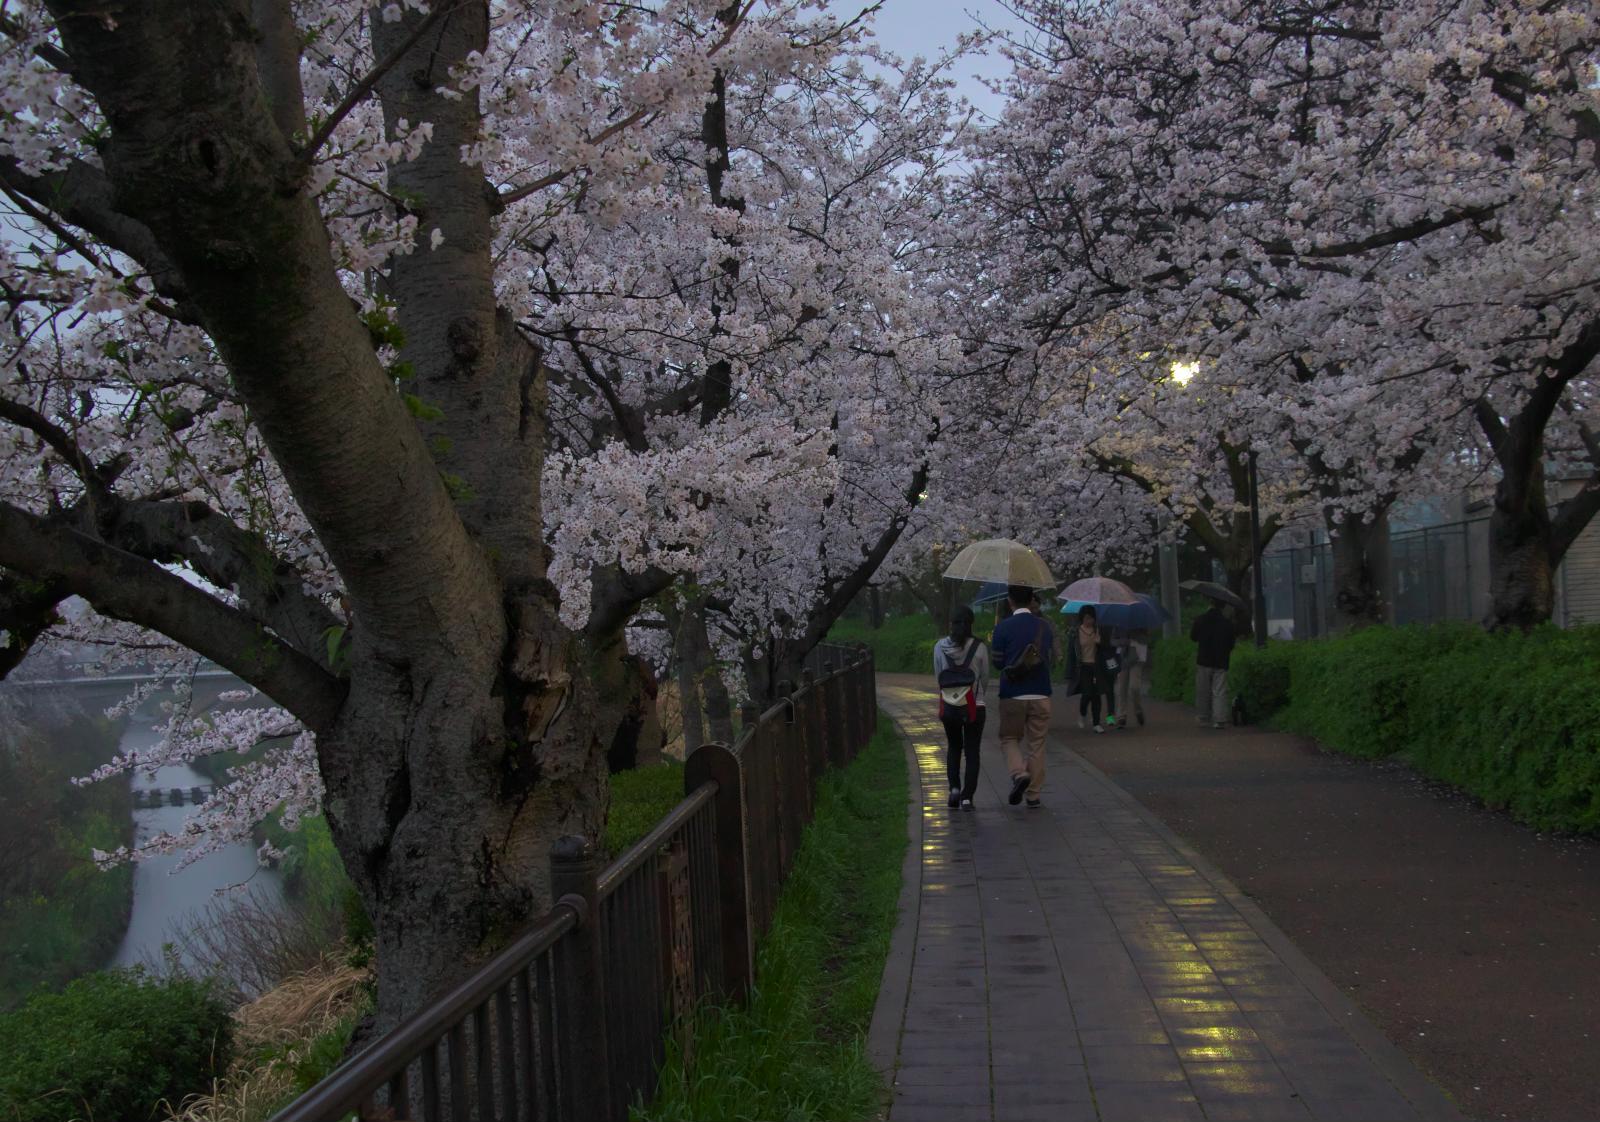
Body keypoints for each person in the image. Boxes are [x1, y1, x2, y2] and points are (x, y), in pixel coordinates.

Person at [990, 585, 1055, 808]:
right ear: (1031, 600)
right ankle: (1034, 795)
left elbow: (998, 662)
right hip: (1041, 692)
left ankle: (1019, 774)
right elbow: (1049, 657)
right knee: (1036, 744)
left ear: (1010, 601)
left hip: (1012, 694)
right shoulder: (1044, 628)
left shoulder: (1003, 628)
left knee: (1009, 738)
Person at [933, 606, 988, 811]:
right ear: (970, 624)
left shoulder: (939, 647)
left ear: (951, 624)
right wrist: (978, 695)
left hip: (949, 706)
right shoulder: (979, 647)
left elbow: (938, 675)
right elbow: (984, 677)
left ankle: (954, 790)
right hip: (975, 705)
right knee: (972, 751)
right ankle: (967, 797)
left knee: (954, 747)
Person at [1066, 605, 1116, 733]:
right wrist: (1069, 671)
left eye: (1092, 618)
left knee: (1096, 695)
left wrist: (1100, 641)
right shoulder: (1075, 632)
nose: (1090, 621)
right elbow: (1071, 653)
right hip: (1083, 667)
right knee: (1087, 693)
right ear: (1082, 618)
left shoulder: (1097, 630)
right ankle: (1082, 713)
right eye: (1087, 618)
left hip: (1097, 666)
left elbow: (1106, 647)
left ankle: (1096, 723)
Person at [1191, 601, 1236, 728]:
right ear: (1222, 607)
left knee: (1203, 689)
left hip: (1204, 660)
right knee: (1219, 690)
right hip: (1221, 661)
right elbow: (1231, 643)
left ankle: (1203, 716)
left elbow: (1193, 637)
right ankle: (1219, 719)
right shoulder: (1227, 623)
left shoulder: (1200, 620)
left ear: (1209, 605)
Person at [1113, 625, 1149, 727]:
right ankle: (1121, 716)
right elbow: (1113, 640)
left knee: (1134, 687)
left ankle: (1138, 710)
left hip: (1137, 658)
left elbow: (1146, 640)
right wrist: (1122, 642)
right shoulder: (1118, 624)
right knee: (1121, 688)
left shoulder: (1141, 623)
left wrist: (1134, 638)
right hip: (1123, 658)